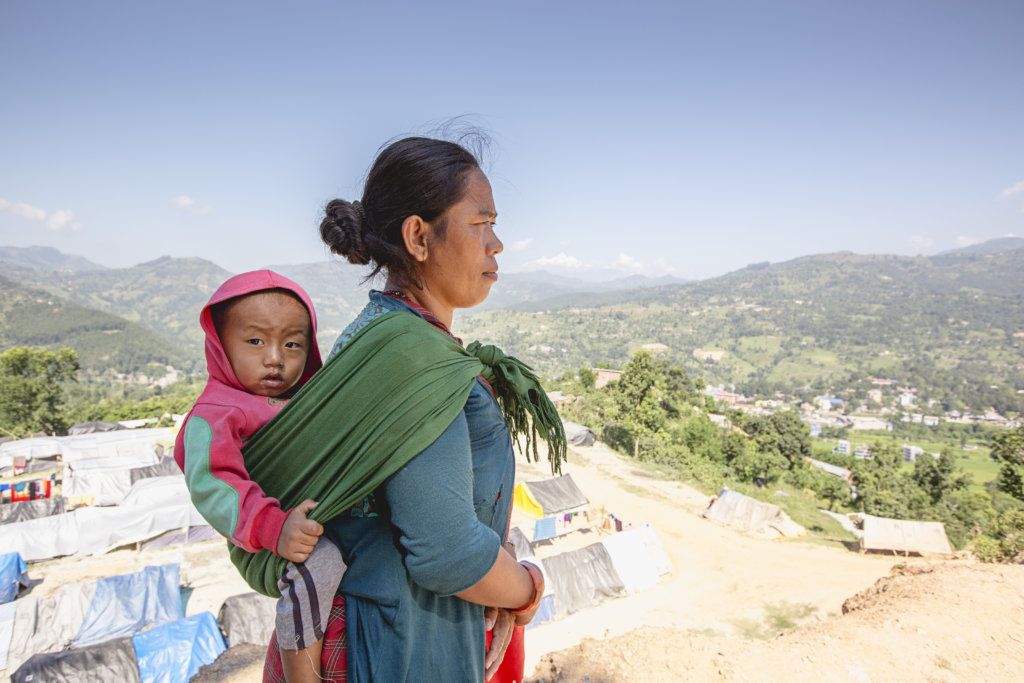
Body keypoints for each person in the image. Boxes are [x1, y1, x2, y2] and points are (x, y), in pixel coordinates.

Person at [239, 136, 564, 682]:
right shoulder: (413, 361)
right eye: (481, 223)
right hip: (396, 650)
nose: (497, 243)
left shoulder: (379, 338)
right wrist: (527, 588)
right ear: (418, 236)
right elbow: (447, 553)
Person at [173, 270, 346, 683]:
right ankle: (299, 675)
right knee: (320, 565)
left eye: (292, 344)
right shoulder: (216, 413)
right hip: (261, 540)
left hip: (305, 523)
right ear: (220, 346)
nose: (275, 357)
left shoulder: (299, 401)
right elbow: (213, 486)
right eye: (255, 342)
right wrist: (273, 526)